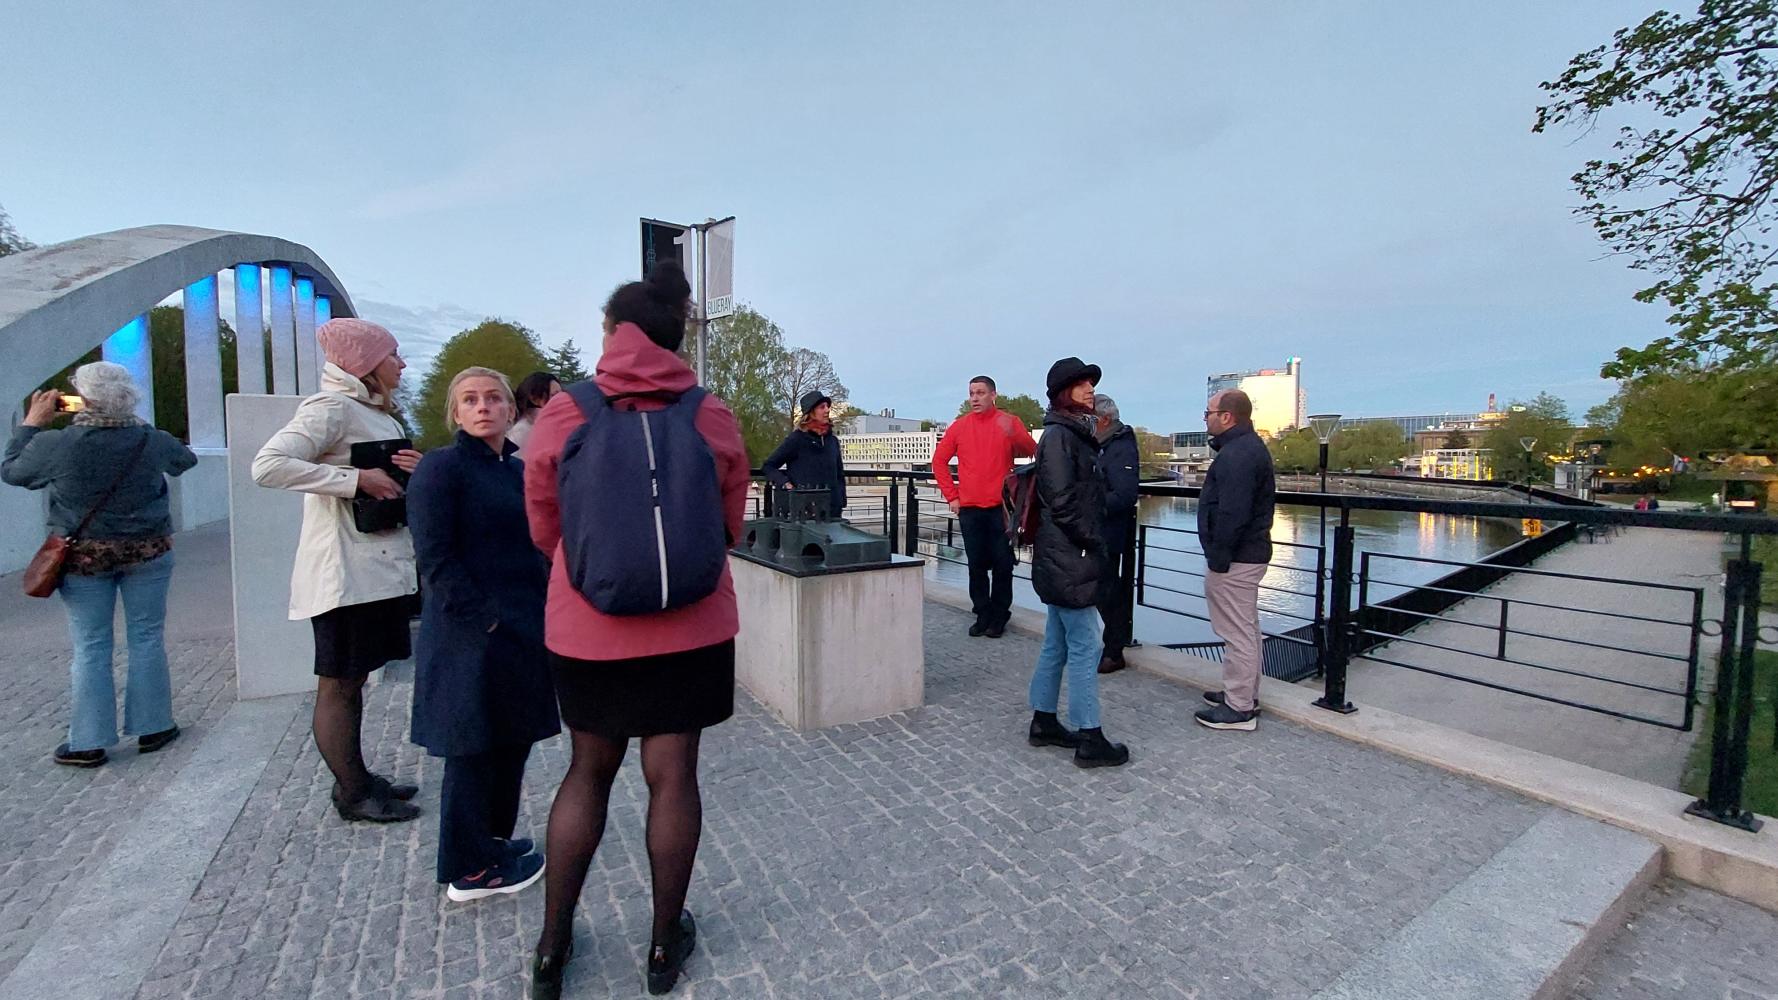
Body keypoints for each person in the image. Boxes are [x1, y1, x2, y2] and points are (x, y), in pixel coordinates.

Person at [523, 261, 749, 999]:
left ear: (615, 333)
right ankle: (660, 948)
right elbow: (727, 521)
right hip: (691, 627)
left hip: (591, 631)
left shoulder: (567, 411)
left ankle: (553, 950)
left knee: (587, 774)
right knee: (673, 775)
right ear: (676, 335)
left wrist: (593, 569)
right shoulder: (708, 412)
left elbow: (544, 523)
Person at [252, 318, 424, 822]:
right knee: (340, 682)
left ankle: (360, 777)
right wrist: (353, 479)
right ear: (368, 364)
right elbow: (268, 465)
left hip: (372, 567)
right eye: (393, 355)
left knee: (355, 678)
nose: (402, 363)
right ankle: (351, 792)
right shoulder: (331, 407)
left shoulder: (370, 411)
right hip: (345, 572)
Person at [407, 366, 557, 903]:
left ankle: (491, 844)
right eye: (469, 400)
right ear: (455, 412)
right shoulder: (440, 470)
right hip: (470, 636)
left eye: (493, 397)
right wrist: (485, 619)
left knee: (509, 742)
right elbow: (435, 559)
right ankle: (465, 868)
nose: (483, 407)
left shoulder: (515, 471)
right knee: (471, 751)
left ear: (511, 410)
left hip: (521, 628)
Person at [3, 363, 196, 767]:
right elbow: (185, 461)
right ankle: (154, 725)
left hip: (83, 558)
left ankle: (88, 741)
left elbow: (14, 472)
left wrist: (32, 425)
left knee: (91, 645)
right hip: (148, 553)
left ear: (81, 400)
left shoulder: (57, 443)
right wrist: (135, 425)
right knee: (146, 636)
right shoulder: (150, 439)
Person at [1027, 358, 1129, 768]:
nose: (1090, 389)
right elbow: (1064, 501)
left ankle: (1044, 720)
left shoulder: (1070, 433)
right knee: (1087, 646)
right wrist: (1094, 541)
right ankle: (1090, 737)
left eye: (1090, 383)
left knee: (1057, 642)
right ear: (1063, 393)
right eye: (1081, 384)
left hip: (1062, 556)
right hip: (1071, 556)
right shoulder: (1060, 437)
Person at [1194, 389, 1276, 732]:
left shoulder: (1238, 455)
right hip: (1248, 553)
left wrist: (1218, 556)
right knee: (1246, 627)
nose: (1206, 418)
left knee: (1237, 631)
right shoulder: (1246, 449)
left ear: (1227, 416)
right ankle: (1242, 693)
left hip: (1237, 557)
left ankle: (1239, 707)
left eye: (1209, 412)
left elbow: (1233, 512)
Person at [932, 376, 1037, 638]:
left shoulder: (1008, 422)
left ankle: (1000, 615)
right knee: (976, 564)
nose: (975, 398)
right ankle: (982, 612)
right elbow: (939, 462)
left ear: (993, 395)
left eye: (980, 393)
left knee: (1003, 564)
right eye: (971, 393)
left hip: (1001, 509)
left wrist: (1014, 432)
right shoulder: (959, 427)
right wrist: (952, 497)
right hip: (969, 508)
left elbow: (1032, 450)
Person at [1093, 394, 1140, 674]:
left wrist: (1089, 502)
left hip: (1109, 532)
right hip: (1095, 530)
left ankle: (1114, 648)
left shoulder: (1120, 445)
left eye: (1091, 419)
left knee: (1108, 591)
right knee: (1099, 591)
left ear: (1105, 419)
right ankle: (1110, 644)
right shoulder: (1101, 443)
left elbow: (1123, 494)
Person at [760, 390, 846, 518]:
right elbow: (769, 466)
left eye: (827, 406)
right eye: (822, 407)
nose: (827, 410)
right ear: (811, 412)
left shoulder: (832, 441)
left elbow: (839, 474)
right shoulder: (797, 439)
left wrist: (841, 500)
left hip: (832, 512)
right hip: (806, 513)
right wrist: (785, 483)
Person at [509, 371, 563, 458]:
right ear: (535, 399)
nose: (561, 400)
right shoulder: (522, 431)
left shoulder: (553, 426)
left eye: (561, 395)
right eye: (554, 395)